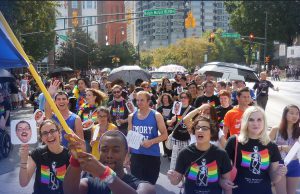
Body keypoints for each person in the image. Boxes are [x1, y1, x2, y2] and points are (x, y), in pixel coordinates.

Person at [63, 130, 155, 194]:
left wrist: (104, 173)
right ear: (99, 152)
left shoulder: (142, 186)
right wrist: (76, 159)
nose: (109, 155)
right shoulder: (90, 182)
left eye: (116, 150)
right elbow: (70, 192)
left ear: (126, 154)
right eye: (104, 149)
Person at [224, 106, 287, 194]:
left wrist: (279, 173)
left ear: (264, 122)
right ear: (245, 122)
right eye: (251, 120)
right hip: (238, 191)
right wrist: (222, 181)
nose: (255, 123)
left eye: (259, 119)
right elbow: (221, 168)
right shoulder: (234, 141)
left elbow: (274, 179)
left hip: (263, 191)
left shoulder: (271, 146)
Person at [168, 116, 232, 194]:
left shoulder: (221, 154)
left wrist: (224, 183)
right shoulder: (184, 153)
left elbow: (227, 183)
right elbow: (175, 182)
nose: (200, 130)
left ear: (211, 133)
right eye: (197, 128)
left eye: (204, 128)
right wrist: (172, 178)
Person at [19, 119, 70, 194]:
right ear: (42, 138)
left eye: (52, 131)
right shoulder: (37, 153)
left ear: (59, 132)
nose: (49, 135)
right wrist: (23, 159)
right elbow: (23, 183)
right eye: (45, 133)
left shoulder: (69, 155)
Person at [127, 91, 168, 185]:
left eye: (142, 100)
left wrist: (151, 142)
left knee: (150, 184)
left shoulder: (156, 115)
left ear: (149, 101)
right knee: (137, 185)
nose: (139, 103)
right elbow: (130, 137)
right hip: (136, 155)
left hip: (152, 155)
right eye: (137, 100)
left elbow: (165, 135)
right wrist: (127, 156)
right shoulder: (131, 116)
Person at [269, 104, 300, 194]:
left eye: (297, 114)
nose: (295, 116)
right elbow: (266, 148)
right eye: (291, 113)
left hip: (294, 164)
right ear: (285, 114)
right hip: (279, 164)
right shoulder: (276, 129)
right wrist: (282, 148)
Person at [45, 80, 84, 148]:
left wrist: (72, 134)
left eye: (63, 99)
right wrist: (49, 95)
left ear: (68, 101)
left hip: (70, 154)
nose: (61, 101)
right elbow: (46, 109)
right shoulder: (52, 116)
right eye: (59, 99)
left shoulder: (76, 118)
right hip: (55, 152)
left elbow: (81, 142)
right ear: (55, 102)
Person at [78, 88, 106, 152]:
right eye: (86, 95)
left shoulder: (100, 109)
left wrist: (96, 121)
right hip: (85, 137)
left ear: (94, 97)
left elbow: (105, 122)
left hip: (97, 136)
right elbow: (79, 121)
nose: (86, 97)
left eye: (89, 95)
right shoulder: (82, 108)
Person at [157, 93, 173, 158]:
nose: (165, 99)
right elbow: (159, 118)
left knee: (171, 138)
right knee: (164, 138)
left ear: (169, 99)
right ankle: (166, 152)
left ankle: (171, 153)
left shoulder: (173, 107)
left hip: (171, 125)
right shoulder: (159, 108)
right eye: (164, 98)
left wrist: (171, 124)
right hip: (163, 125)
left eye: (166, 98)